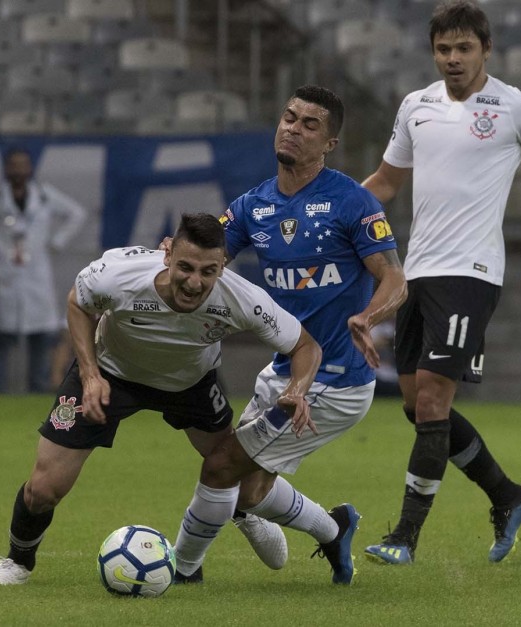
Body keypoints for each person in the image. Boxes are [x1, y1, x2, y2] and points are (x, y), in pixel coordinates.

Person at [360, 0, 521, 565]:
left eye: (464, 48)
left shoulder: (516, 106)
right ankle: (508, 495)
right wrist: (333, 209)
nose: (453, 58)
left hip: (473, 272)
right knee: (418, 405)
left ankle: (405, 538)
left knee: (437, 398)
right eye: (444, 49)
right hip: (418, 272)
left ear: (486, 50)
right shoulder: (415, 106)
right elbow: (388, 181)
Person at [0, 213, 318, 586]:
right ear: (167, 253)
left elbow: (305, 345)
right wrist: (89, 375)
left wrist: (296, 390)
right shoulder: (119, 274)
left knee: (230, 468)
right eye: (185, 267)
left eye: (208, 271)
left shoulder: (243, 298)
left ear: (222, 266)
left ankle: (242, 512)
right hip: (110, 375)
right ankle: (18, 562)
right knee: (43, 489)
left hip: (190, 384)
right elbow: (79, 303)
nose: (194, 282)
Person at [170, 85, 407, 585]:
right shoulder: (252, 206)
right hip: (284, 368)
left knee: (220, 467)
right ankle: (333, 528)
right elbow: (204, 264)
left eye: (310, 124)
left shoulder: (351, 203)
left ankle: (178, 570)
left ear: (330, 143)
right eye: (289, 118)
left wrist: (368, 316)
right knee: (250, 490)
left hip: (335, 377)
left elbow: (395, 278)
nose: (293, 129)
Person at [0, 148, 87, 393]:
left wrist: (56, 241)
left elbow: (77, 214)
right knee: (1, 340)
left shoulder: (44, 195)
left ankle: (37, 390)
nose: (18, 170)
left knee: (40, 339)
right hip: (5, 271)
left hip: (36, 272)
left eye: (23, 165)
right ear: (6, 169)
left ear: (30, 168)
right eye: (14, 165)